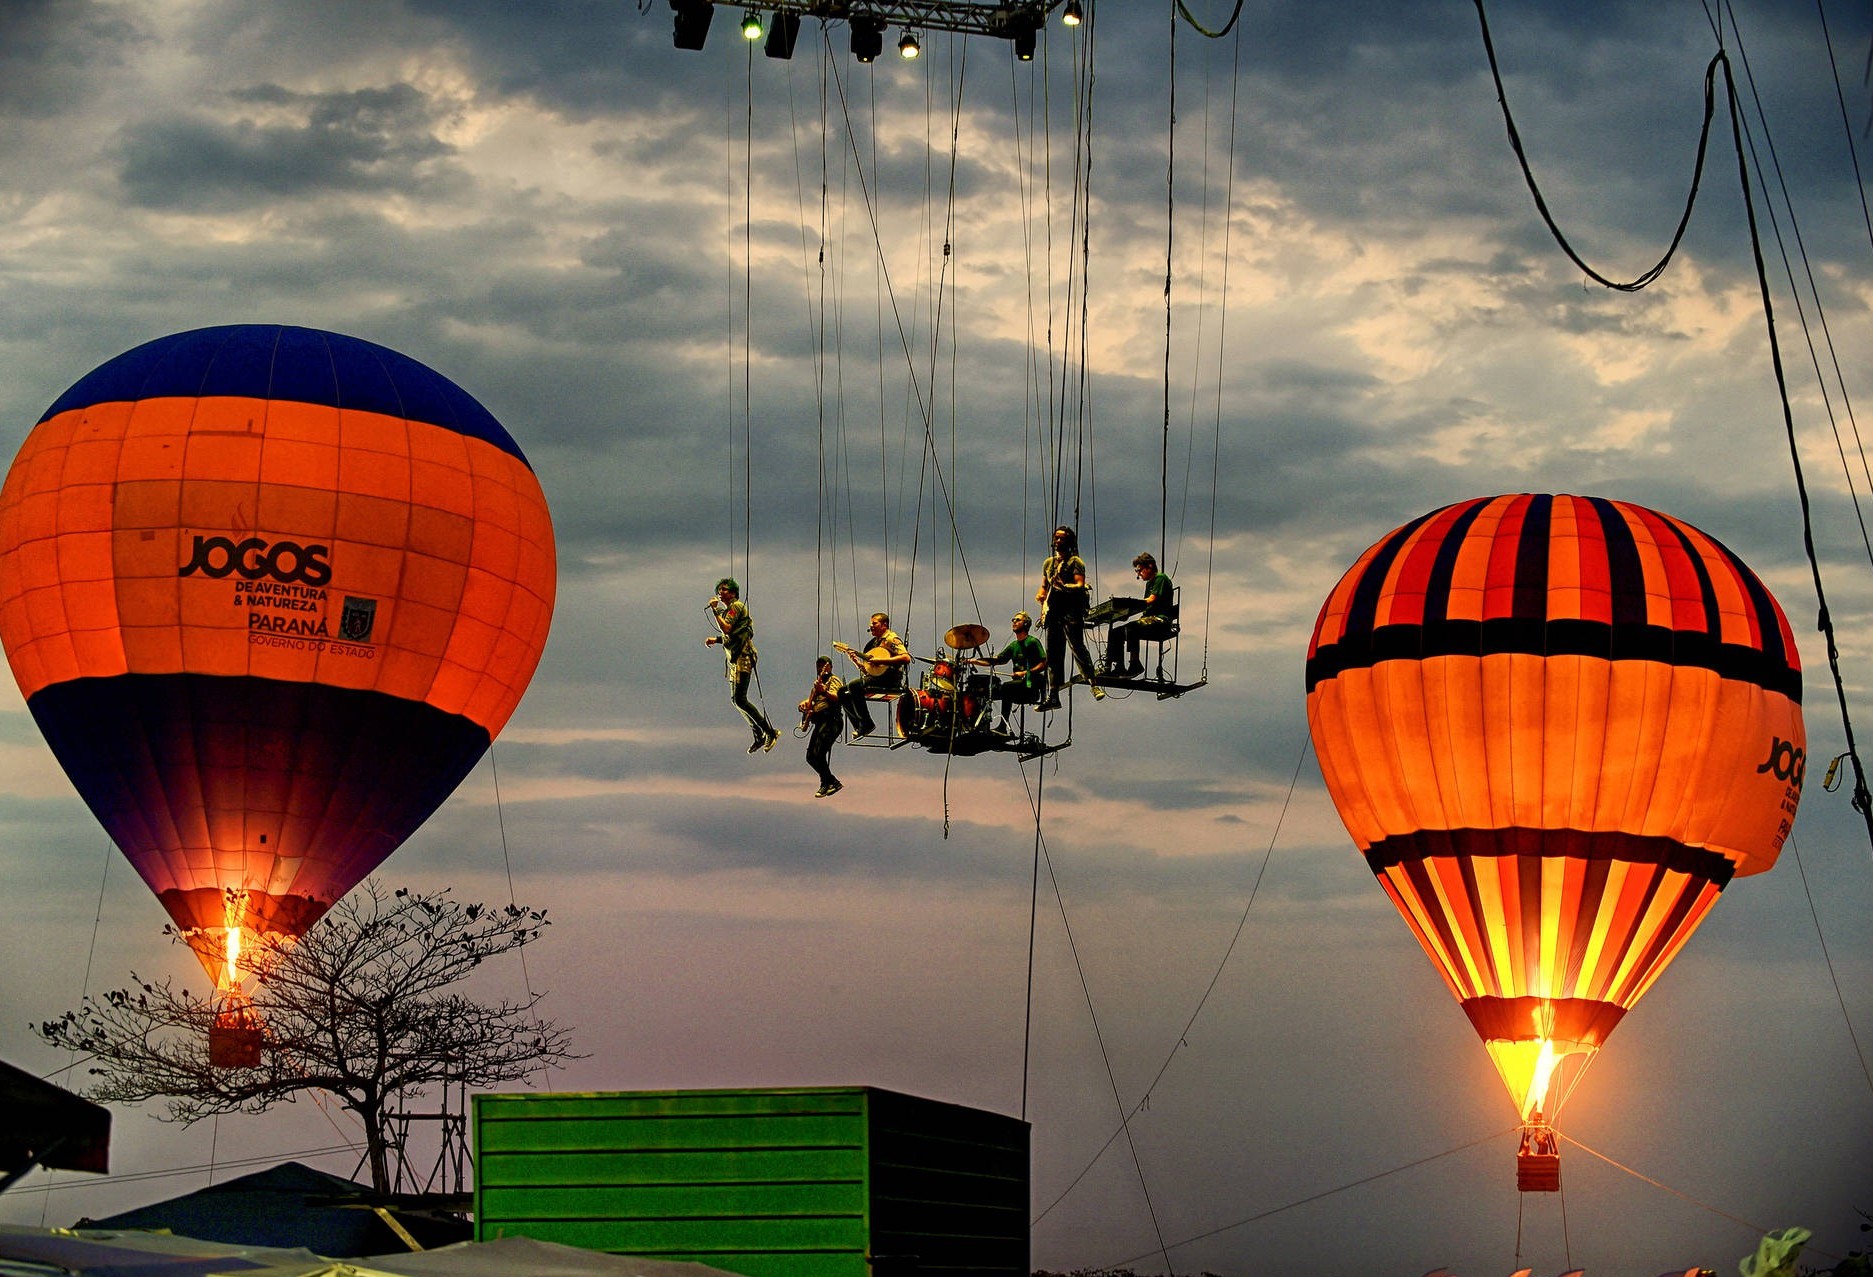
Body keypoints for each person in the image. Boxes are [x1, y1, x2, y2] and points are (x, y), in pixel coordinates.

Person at [703, 577, 779, 754]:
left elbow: (728, 629)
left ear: (733, 593)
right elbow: (734, 635)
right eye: (719, 590)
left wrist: (715, 611)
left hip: (743, 657)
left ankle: (769, 732)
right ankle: (759, 734)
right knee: (736, 700)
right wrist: (716, 640)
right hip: (735, 659)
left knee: (740, 699)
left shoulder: (736, 606)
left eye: (724, 589)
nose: (720, 593)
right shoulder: (731, 609)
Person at [1035, 525, 1102, 709]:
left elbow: (1080, 585)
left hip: (1070, 610)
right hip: (1053, 612)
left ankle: (1093, 683)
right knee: (1054, 654)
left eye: (1061, 538)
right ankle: (1054, 695)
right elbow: (1044, 585)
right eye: (1056, 538)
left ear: (1069, 541)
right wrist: (1041, 594)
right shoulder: (1049, 563)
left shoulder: (1075, 562)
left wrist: (1064, 586)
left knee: (1077, 647)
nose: (1057, 541)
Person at [968, 611, 1047, 733]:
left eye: (1018, 620)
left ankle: (1003, 727)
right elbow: (997, 661)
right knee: (987, 691)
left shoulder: (1032, 642)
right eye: (1013, 620)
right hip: (1018, 685)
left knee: (1006, 687)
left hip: (1031, 684)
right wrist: (973, 661)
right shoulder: (1013, 645)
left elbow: (1044, 664)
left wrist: (1025, 673)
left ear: (1026, 624)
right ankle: (979, 726)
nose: (1014, 622)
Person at [1102, 551, 1175, 677]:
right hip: (1148, 619)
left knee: (1133, 627)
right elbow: (1146, 605)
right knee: (1115, 632)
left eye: (1140, 570)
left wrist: (1131, 604)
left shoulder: (1160, 578)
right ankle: (1118, 666)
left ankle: (1135, 664)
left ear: (1150, 566)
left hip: (1160, 620)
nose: (1139, 574)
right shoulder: (1149, 583)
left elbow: (1151, 600)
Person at [839, 611, 912, 738]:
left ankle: (867, 723)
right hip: (877, 678)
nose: (871, 626)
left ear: (884, 625)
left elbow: (906, 658)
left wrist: (881, 660)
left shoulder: (890, 638)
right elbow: (870, 671)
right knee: (841, 692)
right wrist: (856, 662)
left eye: (874, 623)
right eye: (870, 624)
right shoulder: (874, 643)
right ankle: (859, 725)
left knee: (855, 685)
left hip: (890, 679)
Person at [797, 656, 845, 797]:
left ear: (829, 666)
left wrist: (824, 691)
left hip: (831, 719)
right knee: (811, 756)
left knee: (817, 754)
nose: (820, 668)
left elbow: (838, 697)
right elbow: (815, 700)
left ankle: (828, 782)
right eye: (818, 665)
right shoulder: (818, 684)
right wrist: (806, 703)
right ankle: (829, 782)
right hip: (820, 721)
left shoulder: (833, 680)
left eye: (823, 665)